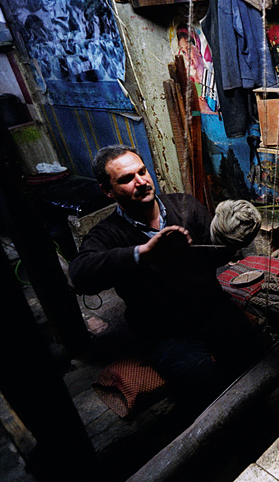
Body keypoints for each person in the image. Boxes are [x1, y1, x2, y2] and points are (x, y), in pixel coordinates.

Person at [69, 145, 262, 413]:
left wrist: (232, 239)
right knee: (203, 379)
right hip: (164, 332)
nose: (141, 182)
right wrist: (143, 252)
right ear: (107, 191)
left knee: (253, 353)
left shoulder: (184, 205)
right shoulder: (108, 233)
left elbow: (214, 255)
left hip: (212, 310)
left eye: (142, 172)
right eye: (127, 179)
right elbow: (80, 274)